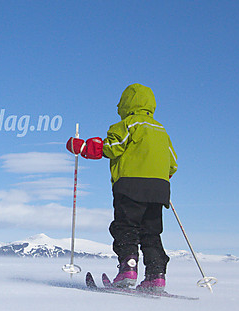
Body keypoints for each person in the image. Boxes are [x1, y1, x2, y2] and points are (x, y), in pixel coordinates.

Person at [66, 83, 177, 293]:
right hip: (159, 189)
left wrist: (82, 147)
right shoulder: (161, 131)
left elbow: (112, 147)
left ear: (127, 103)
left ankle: (128, 270)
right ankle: (156, 275)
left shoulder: (129, 124)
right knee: (151, 232)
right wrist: (160, 175)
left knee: (126, 227)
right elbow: (173, 163)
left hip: (130, 185)